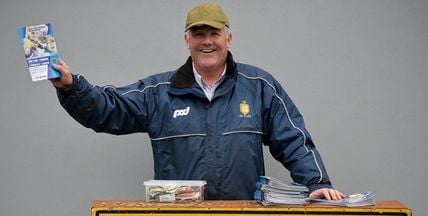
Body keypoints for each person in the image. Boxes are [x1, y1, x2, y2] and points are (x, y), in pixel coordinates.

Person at [51, 2, 344, 201]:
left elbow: (293, 139)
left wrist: (317, 184)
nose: (207, 41)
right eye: (198, 34)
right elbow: (108, 107)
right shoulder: (158, 92)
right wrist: (71, 86)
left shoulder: (259, 87)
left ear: (228, 39)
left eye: (214, 33)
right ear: (186, 40)